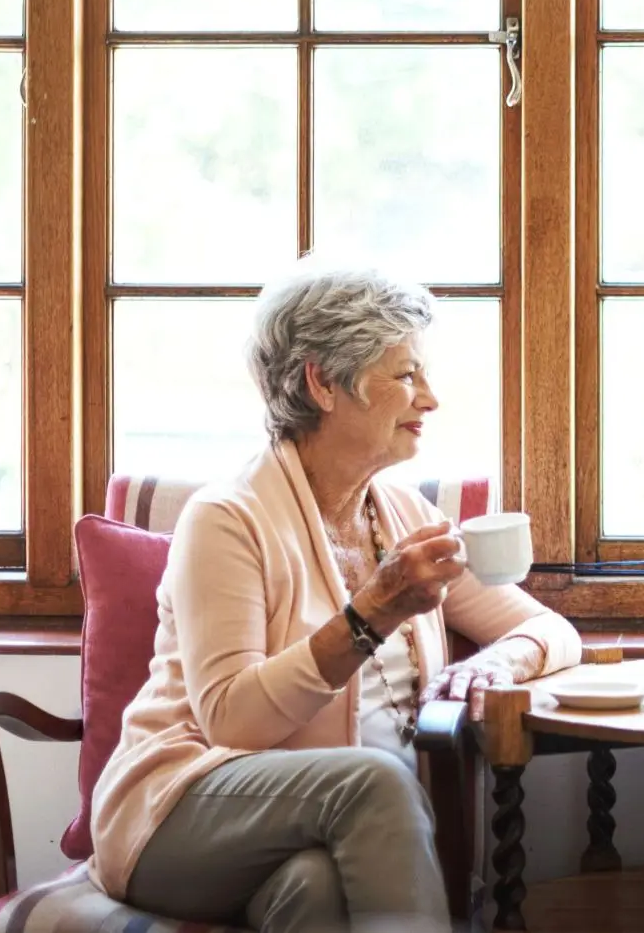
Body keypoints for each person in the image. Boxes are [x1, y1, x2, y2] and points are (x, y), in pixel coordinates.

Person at [89, 263, 581, 933]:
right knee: (372, 778)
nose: (430, 398)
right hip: (180, 809)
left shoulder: (402, 516)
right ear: (322, 382)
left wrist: (502, 662)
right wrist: (373, 611)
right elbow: (232, 720)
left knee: (316, 892)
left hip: (319, 836)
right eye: (406, 374)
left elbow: (551, 629)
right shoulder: (227, 518)